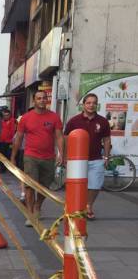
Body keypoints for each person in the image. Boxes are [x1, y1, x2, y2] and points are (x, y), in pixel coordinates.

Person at [11, 90, 64, 227]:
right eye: (39, 98)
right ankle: (30, 214)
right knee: (29, 185)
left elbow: (59, 136)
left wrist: (61, 154)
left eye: (44, 98)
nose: (41, 100)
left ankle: (37, 206)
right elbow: (18, 138)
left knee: (44, 186)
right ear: (34, 100)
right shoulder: (26, 118)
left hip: (49, 157)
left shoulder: (54, 117)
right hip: (31, 156)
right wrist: (13, 156)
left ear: (47, 100)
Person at [64, 93, 111, 219]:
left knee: (95, 185)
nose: (91, 105)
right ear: (83, 105)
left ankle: (88, 206)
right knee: (77, 185)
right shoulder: (74, 121)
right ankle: (77, 207)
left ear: (97, 105)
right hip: (77, 161)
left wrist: (106, 157)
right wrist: (65, 156)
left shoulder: (103, 121)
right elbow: (66, 139)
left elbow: (107, 140)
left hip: (96, 159)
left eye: (94, 103)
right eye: (88, 103)